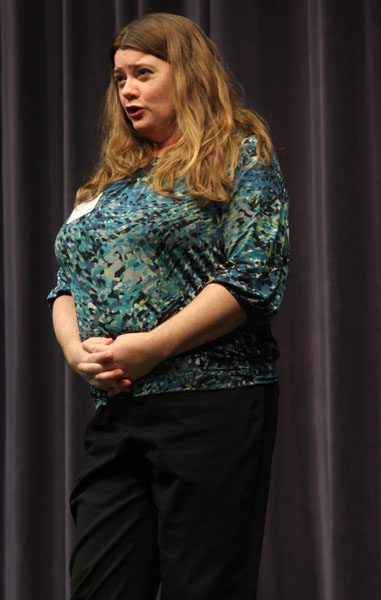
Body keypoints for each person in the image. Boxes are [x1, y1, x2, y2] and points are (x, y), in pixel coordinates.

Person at [48, 12, 289, 600]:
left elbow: (255, 277)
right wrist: (78, 353)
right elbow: (65, 286)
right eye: (120, 78)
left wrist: (154, 345)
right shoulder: (110, 185)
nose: (127, 88)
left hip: (211, 406)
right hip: (119, 410)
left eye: (143, 73)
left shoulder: (240, 154)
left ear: (188, 75)